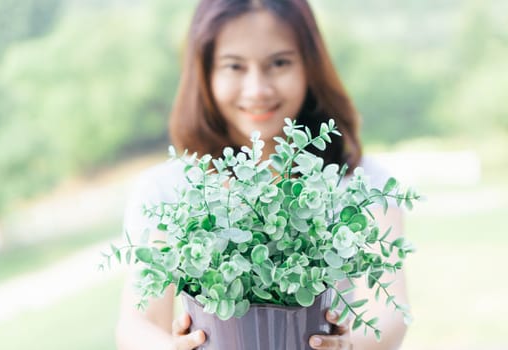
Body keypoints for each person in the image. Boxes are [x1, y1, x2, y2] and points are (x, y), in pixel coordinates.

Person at [116, 0, 409, 349]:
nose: (257, 89)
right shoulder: (167, 191)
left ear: (310, 67)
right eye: (234, 66)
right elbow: (137, 324)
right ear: (205, 72)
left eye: (279, 63)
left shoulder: (361, 182)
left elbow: (391, 311)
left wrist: (349, 345)